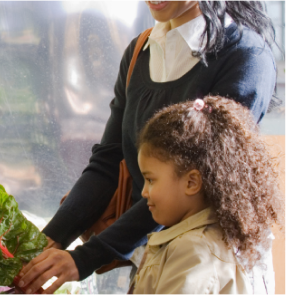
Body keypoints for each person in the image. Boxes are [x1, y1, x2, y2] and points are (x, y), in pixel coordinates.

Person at [18, 0, 278, 294]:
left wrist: (84, 259)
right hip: (150, 257)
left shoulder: (246, 56)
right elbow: (108, 162)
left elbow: (187, 184)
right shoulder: (140, 51)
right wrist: (49, 241)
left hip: (204, 262)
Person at [128, 96, 285, 294]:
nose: (144, 192)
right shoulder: (243, 238)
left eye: (151, 180)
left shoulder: (192, 252)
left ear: (192, 182)